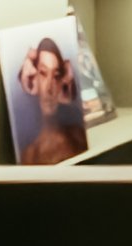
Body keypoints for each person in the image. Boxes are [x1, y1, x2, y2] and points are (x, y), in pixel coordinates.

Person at [10, 36, 87, 164]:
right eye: (43, 73)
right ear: (34, 78)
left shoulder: (78, 136)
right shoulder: (29, 156)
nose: (49, 88)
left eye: (56, 76)